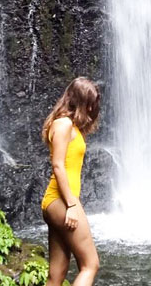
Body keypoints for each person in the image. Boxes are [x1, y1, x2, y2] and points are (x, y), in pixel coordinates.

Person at [41, 77, 101, 286]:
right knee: (90, 264)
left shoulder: (67, 125)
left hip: (57, 202)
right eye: (90, 102)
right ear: (79, 100)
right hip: (61, 201)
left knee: (57, 274)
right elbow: (57, 165)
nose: (93, 108)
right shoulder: (64, 124)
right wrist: (72, 205)